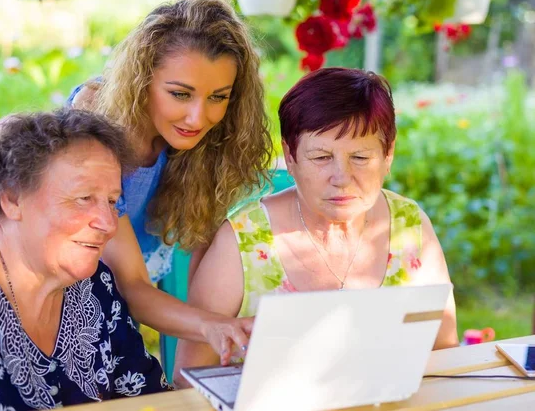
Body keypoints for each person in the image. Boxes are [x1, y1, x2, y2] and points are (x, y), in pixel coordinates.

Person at [173, 68, 459, 386]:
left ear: (388, 154)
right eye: (322, 157)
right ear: (291, 156)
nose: (342, 177)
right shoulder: (244, 241)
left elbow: (445, 355)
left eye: (361, 157)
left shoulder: (410, 226)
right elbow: (189, 380)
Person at [69, 0, 273, 363]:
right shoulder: (95, 134)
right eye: (180, 94)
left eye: (218, 97)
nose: (198, 118)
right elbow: (128, 285)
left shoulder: (205, 149)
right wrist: (211, 325)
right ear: (142, 79)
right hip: (65, 316)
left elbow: (198, 266)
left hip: (122, 318)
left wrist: (206, 339)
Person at [0, 109, 170, 410]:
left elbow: (150, 396)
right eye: (84, 198)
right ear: (12, 199)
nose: (109, 224)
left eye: (111, 201)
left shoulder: (95, 284)